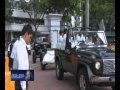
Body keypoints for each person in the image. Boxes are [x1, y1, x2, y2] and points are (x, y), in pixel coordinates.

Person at [11, 24, 33, 90]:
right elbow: (21, 66)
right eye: (30, 37)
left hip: (17, 75)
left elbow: (12, 59)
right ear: (26, 34)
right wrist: (24, 86)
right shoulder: (20, 46)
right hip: (20, 78)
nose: (30, 40)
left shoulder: (17, 43)